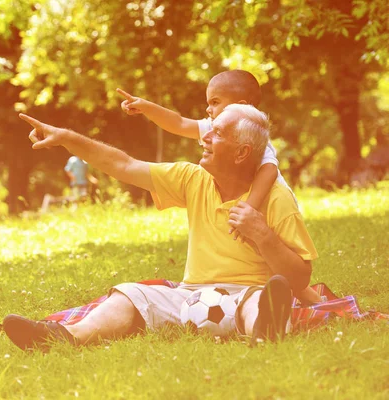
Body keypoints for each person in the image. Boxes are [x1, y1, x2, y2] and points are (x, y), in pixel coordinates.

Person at [2, 104, 319, 350]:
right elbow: (123, 165)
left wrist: (262, 234)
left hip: (248, 294)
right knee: (131, 294)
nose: (205, 137)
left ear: (241, 153)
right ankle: (63, 337)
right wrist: (67, 139)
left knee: (256, 303)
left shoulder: (277, 199)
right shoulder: (192, 179)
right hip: (190, 297)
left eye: (217, 133)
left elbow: (300, 277)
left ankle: (266, 328)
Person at [117, 70, 321, 306]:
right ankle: (304, 295)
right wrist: (147, 107)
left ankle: (308, 297)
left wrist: (248, 208)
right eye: (208, 103)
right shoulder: (214, 127)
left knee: (268, 257)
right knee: (259, 257)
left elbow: (269, 171)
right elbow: (178, 123)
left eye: (215, 102)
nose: (208, 109)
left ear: (241, 105)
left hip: (264, 203)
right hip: (244, 205)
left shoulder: (252, 135)